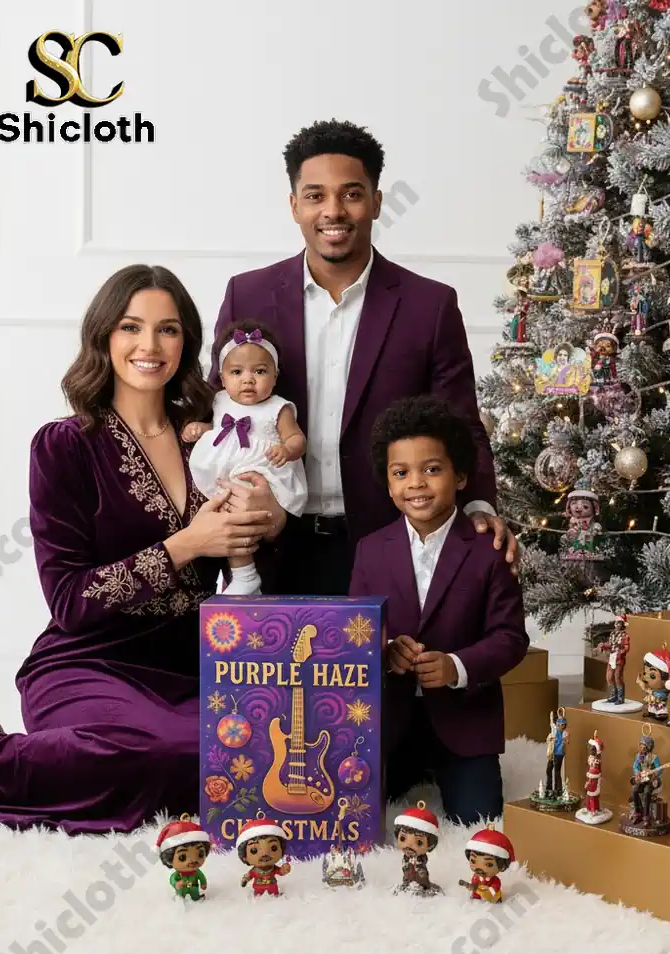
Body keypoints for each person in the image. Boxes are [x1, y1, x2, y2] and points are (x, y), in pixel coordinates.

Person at [0, 265, 273, 833]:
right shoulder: (64, 446)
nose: (149, 345)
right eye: (130, 327)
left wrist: (267, 519)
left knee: (252, 755)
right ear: (104, 337)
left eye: (167, 330)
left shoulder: (213, 441)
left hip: (190, 665)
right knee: (155, 753)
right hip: (88, 662)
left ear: (185, 342)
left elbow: (256, 559)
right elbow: (68, 600)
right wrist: (185, 545)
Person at [208, 120, 517, 596]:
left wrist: (478, 507)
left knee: (387, 671)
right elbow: (221, 408)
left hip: (389, 543)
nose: (333, 211)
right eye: (315, 195)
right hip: (269, 541)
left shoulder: (429, 306)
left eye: (351, 194)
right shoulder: (247, 294)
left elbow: (460, 423)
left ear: (376, 200)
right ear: (294, 205)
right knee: (276, 672)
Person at [348, 396, 529, 824]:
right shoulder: (370, 550)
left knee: (477, 818)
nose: (417, 484)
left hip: (464, 726)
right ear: (388, 484)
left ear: (461, 475)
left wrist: (456, 666)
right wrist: (386, 649)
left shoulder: (490, 551)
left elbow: (511, 639)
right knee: (353, 806)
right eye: (401, 473)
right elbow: (355, 632)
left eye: (432, 469)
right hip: (389, 726)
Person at [184, 321, 308, 594]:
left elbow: (297, 438)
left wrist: (287, 449)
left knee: (240, 519)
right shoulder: (219, 401)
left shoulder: (278, 407)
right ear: (224, 378)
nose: (248, 379)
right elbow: (217, 429)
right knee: (223, 518)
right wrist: (201, 429)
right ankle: (243, 575)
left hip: (262, 472)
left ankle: (247, 576)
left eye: (260, 371)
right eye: (237, 372)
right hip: (227, 474)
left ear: (275, 375)